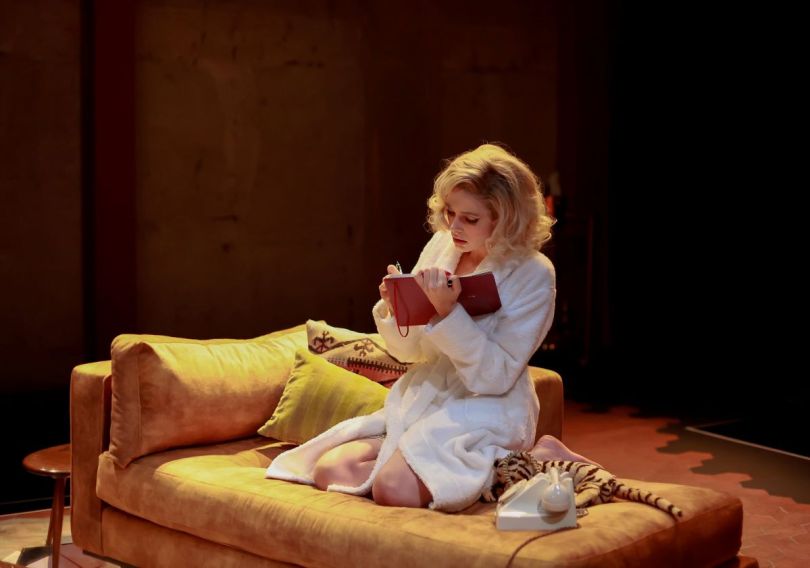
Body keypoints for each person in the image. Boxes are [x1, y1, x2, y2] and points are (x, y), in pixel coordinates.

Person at [265, 142, 595, 512]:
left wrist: (448, 315)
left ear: (506, 219)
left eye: (470, 219)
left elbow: (496, 377)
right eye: (450, 212)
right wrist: (398, 308)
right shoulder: (442, 246)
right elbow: (409, 353)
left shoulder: (534, 273)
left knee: (393, 489)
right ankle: (426, 463)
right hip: (427, 397)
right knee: (332, 470)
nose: (454, 226)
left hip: (487, 405)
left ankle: (519, 460)